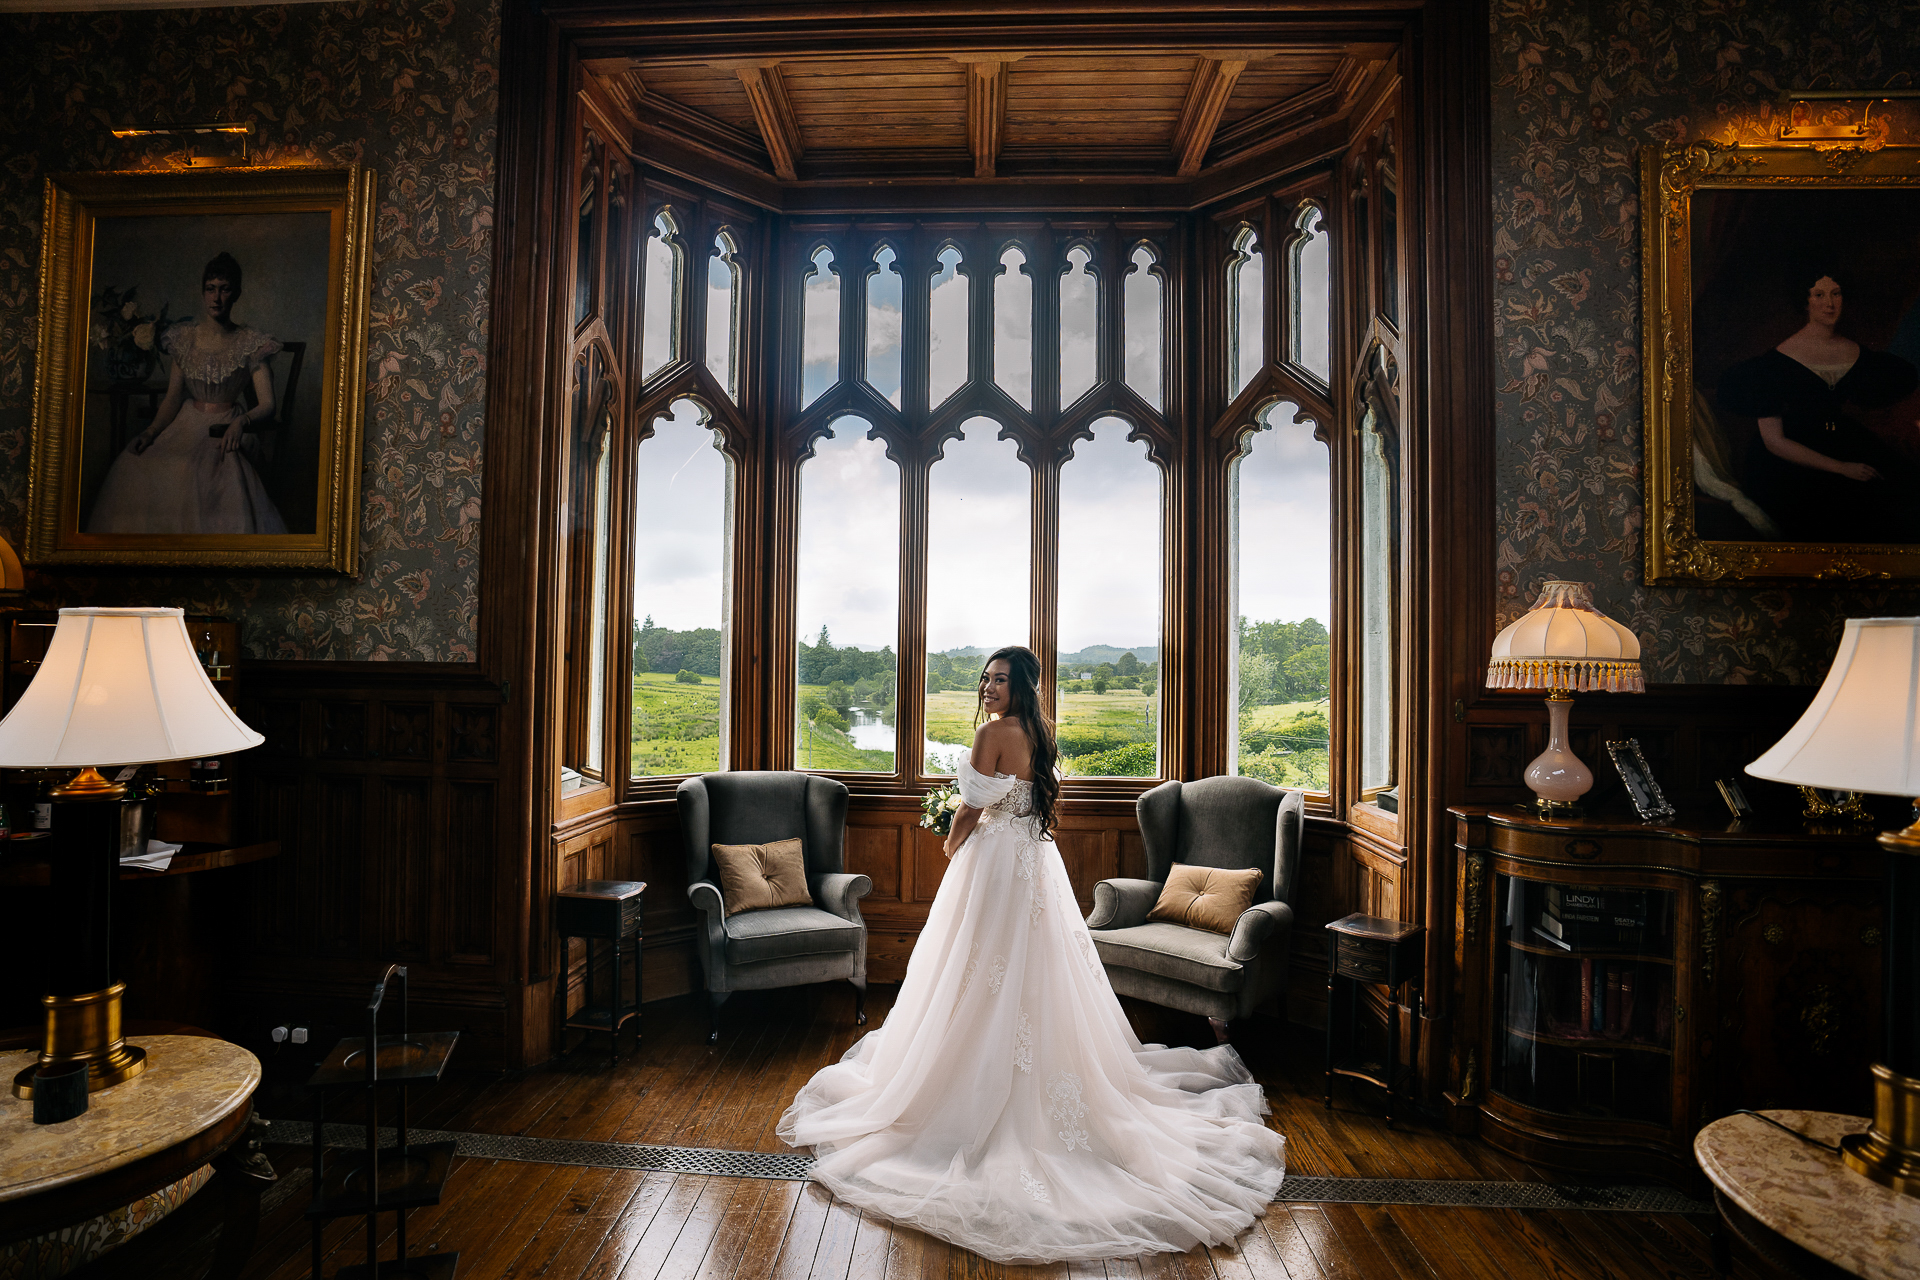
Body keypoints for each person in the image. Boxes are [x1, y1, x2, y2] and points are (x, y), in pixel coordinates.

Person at [779, 645, 1285, 1264]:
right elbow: (1038, 802)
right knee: (1029, 972)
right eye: (985, 679)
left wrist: (949, 846)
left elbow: (969, 807)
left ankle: (969, 1080)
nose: (989, 688)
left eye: (1000, 680)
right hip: (1034, 862)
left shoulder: (991, 733)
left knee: (975, 966)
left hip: (993, 865)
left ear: (1022, 685)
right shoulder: (1041, 733)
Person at [85, 251, 288, 535]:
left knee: (194, 468)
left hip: (225, 427)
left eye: (225, 289)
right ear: (203, 292)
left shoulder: (250, 342)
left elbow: (268, 404)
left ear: (237, 294)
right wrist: (151, 432)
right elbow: (172, 398)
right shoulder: (184, 339)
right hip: (186, 423)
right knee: (135, 463)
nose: (217, 298)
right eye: (210, 289)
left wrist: (240, 422)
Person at [1716, 266, 1919, 544]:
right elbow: (1775, 441)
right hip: (1790, 459)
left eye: (1836, 293)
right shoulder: (1771, 366)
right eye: (1819, 294)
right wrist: (1840, 467)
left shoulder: (1857, 352)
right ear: (1805, 300)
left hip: (1843, 439)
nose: (1830, 303)